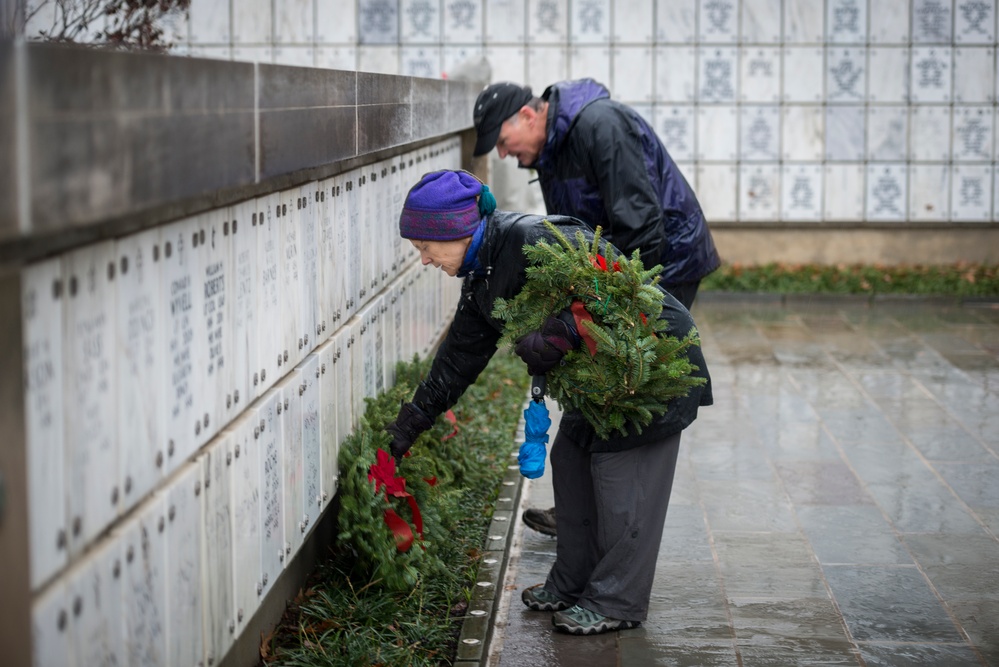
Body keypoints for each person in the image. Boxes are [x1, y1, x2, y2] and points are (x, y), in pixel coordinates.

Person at [385, 169, 713, 635]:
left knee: (622, 484)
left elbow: (617, 285)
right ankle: (572, 583)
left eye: (425, 247)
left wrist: (563, 328)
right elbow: (456, 360)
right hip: (599, 381)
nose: (424, 260)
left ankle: (616, 601)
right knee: (572, 459)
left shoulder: (530, 238)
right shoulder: (482, 277)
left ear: (458, 229)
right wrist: (408, 426)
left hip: (650, 368)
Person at [472, 78, 721, 537]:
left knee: (627, 384)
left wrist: (596, 309)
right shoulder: (553, 148)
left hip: (663, 265)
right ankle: (583, 512)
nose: (504, 155)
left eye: (503, 143)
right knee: (594, 377)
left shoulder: (599, 125)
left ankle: (614, 523)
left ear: (528, 116)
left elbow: (641, 227)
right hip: (617, 270)